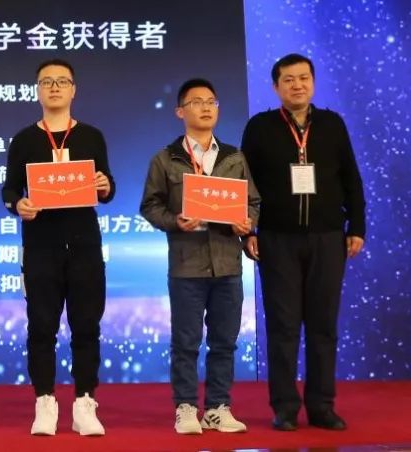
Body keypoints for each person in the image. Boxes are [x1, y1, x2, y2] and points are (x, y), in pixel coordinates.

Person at [240, 53, 366, 432]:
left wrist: (357, 227)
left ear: (313, 82)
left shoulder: (332, 124)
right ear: (276, 86)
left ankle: (322, 406)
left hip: (328, 238)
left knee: (323, 326)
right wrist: (249, 231)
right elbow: (245, 184)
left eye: (304, 78)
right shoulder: (260, 127)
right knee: (283, 327)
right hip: (277, 239)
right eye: (289, 79)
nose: (297, 85)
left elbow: (351, 179)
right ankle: (284, 407)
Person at [0, 58, 114, 437]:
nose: (54, 87)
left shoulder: (92, 136)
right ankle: (45, 401)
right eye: (46, 81)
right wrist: (18, 204)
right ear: (37, 90)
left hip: (84, 245)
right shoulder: (24, 139)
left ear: (73, 90)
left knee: (86, 325)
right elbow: (9, 188)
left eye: (61, 81)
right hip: (40, 246)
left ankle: (84, 402)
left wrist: (104, 186)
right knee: (41, 326)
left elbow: (108, 185)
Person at [140, 78, 260, 435]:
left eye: (211, 102)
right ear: (180, 111)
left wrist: (247, 222)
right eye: (196, 102)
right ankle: (186, 407)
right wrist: (174, 221)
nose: (206, 108)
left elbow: (253, 201)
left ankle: (218, 407)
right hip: (186, 265)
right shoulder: (166, 159)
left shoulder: (234, 157)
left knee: (225, 342)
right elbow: (150, 205)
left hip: (227, 264)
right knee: (186, 342)